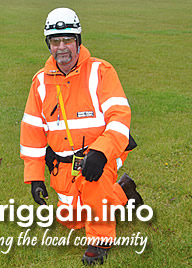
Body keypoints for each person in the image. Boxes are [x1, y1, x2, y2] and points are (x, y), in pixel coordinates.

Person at [20, 7, 144, 265]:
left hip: (101, 156)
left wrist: (101, 152)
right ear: (48, 44)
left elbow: (120, 118)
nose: (62, 47)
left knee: (93, 181)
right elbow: (32, 132)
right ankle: (122, 191)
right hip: (64, 165)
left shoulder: (101, 71)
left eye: (67, 40)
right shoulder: (40, 82)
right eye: (55, 41)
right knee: (70, 220)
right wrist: (34, 177)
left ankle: (100, 241)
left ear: (78, 40)